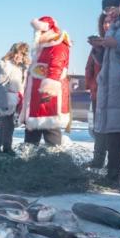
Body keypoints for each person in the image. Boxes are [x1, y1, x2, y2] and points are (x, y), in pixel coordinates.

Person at [94, 0, 120, 189]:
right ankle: (112, 177)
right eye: (106, 9)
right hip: (112, 91)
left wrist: (116, 45)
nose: (109, 12)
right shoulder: (115, 26)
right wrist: (99, 49)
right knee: (114, 139)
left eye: (111, 7)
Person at [19, 16, 71, 147]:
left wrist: (49, 90)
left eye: (39, 31)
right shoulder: (42, 48)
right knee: (32, 134)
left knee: (50, 130)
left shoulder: (57, 46)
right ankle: (28, 162)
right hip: (37, 99)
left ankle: (54, 162)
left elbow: (56, 67)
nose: (37, 34)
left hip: (48, 100)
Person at [85, 8, 119, 168]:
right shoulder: (99, 42)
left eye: (110, 22)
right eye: (104, 22)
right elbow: (89, 68)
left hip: (115, 93)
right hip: (98, 93)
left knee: (115, 132)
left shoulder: (119, 41)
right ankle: (98, 160)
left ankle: (115, 166)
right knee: (99, 129)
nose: (107, 25)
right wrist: (92, 85)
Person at [0, 43, 30, 155]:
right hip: (4, 100)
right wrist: (3, 104)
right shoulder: (6, 66)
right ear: (12, 52)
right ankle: (6, 149)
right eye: (17, 53)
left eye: (22, 54)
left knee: (6, 126)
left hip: (13, 100)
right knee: (8, 126)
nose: (19, 56)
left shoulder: (20, 67)